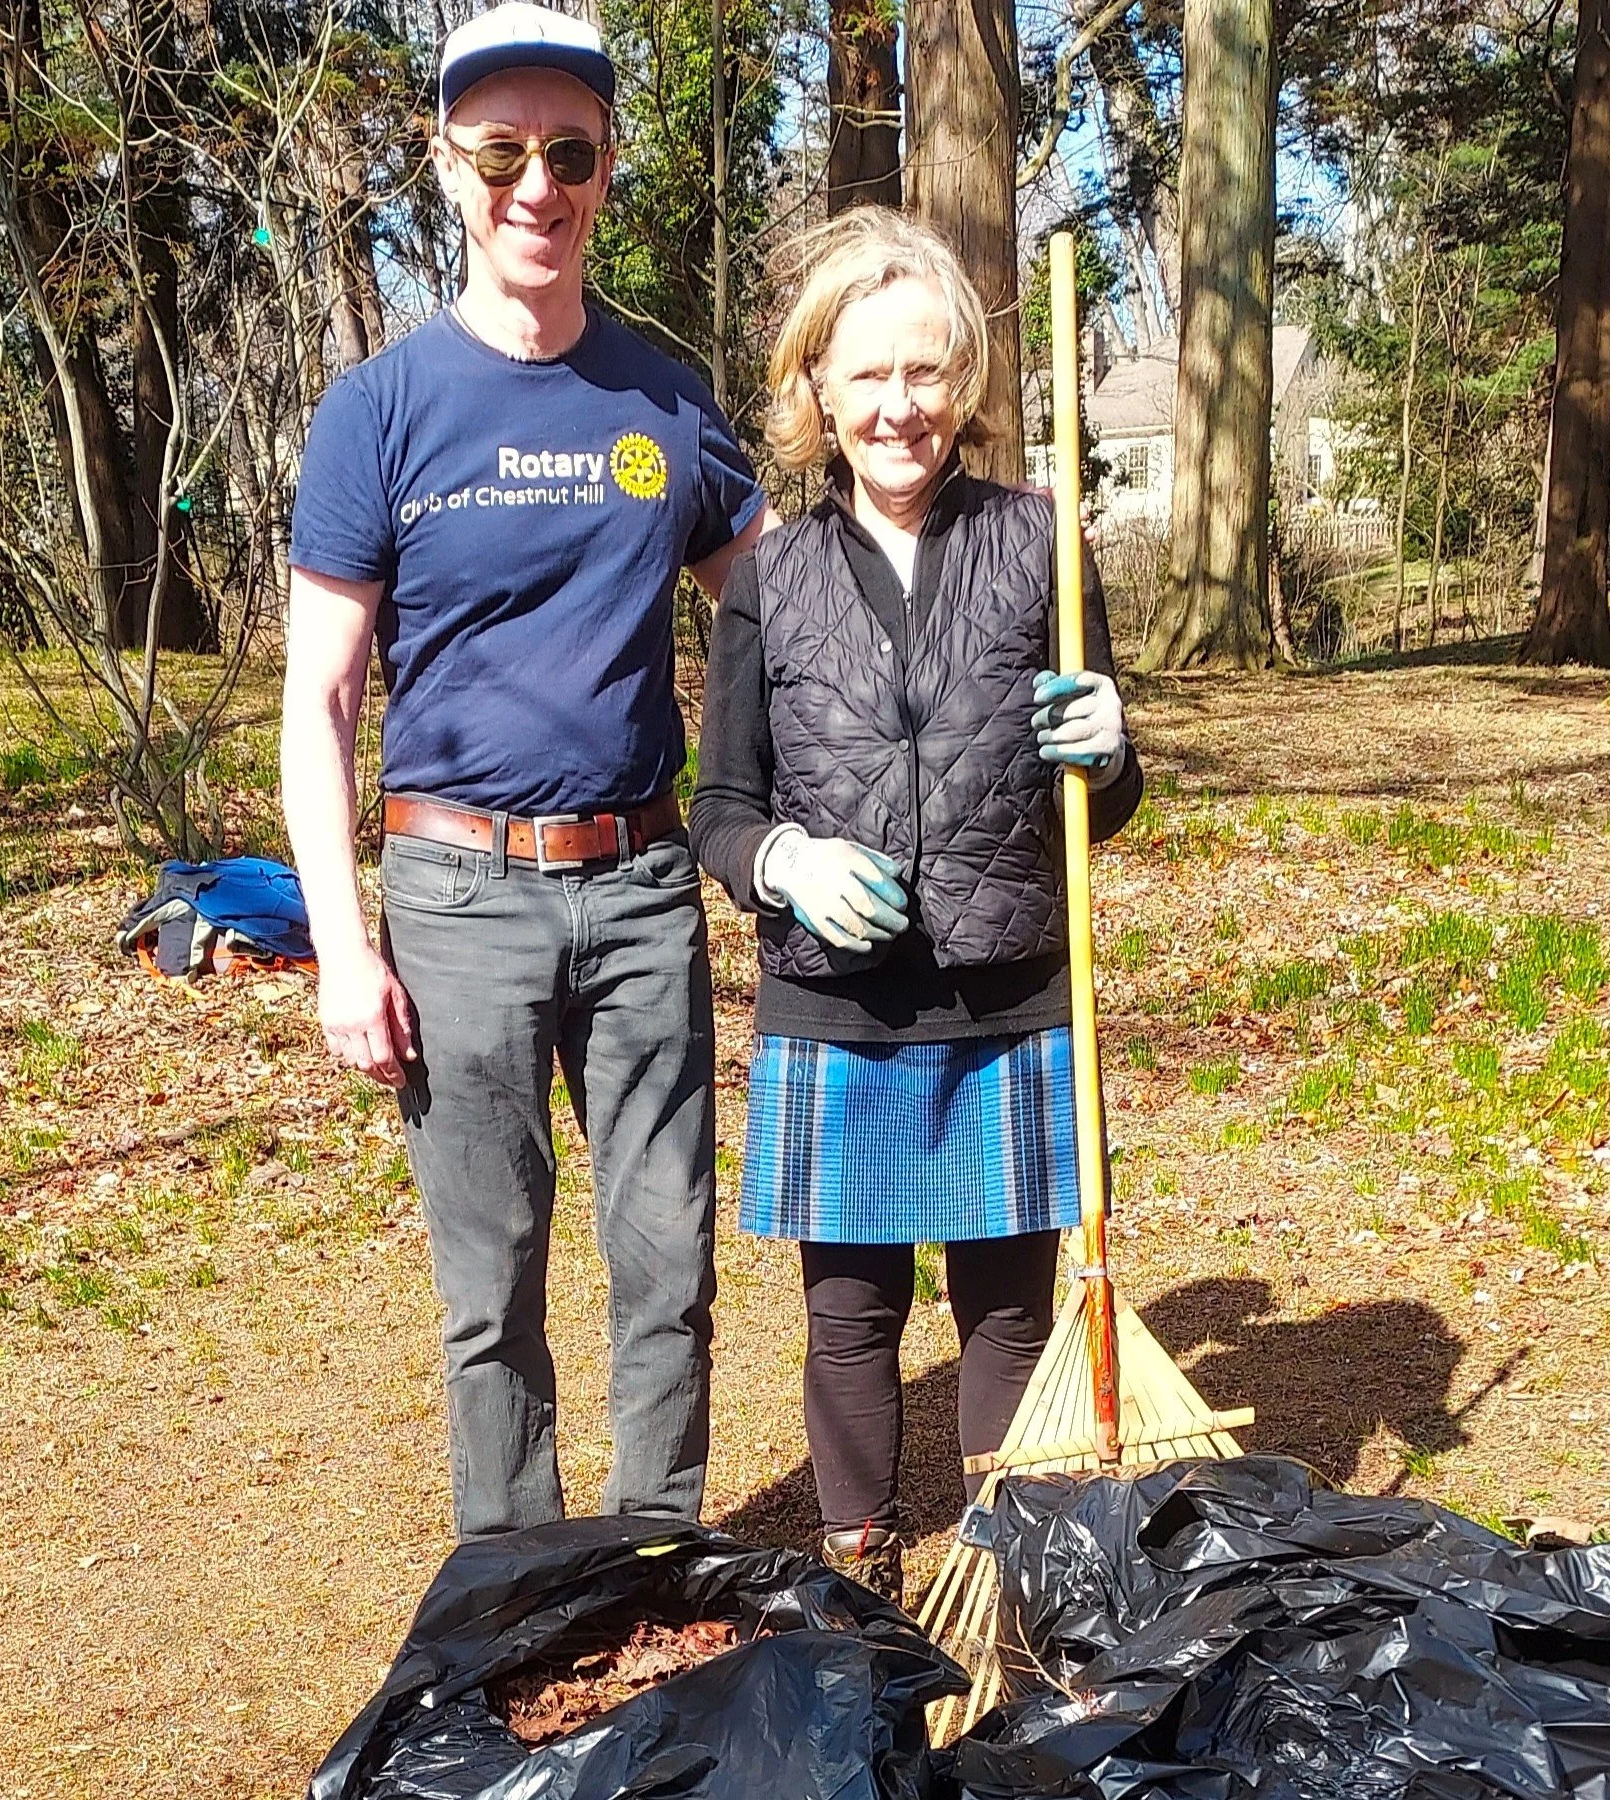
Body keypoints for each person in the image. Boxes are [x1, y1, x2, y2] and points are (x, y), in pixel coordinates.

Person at [281, 2, 773, 1542]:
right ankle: (513, 1591)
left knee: (666, 1261)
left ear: (606, 168)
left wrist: (985, 601)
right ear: (450, 169)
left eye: (568, 151)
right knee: (489, 1286)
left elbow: (790, 606)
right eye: (502, 152)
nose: (535, 186)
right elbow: (321, 697)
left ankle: (650, 1564)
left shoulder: (667, 397)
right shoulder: (378, 409)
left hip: (637, 891)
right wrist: (344, 947)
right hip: (454, 896)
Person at [689, 208, 1142, 1602]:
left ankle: (1005, 1568)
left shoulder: (1041, 542)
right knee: (851, 1308)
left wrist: (1113, 746)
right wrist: (786, 868)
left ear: (965, 384)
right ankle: (861, 1564)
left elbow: (1105, 802)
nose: (901, 407)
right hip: (838, 998)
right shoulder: (767, 582)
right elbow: (722, 810)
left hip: (1011, 985)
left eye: (928, 373)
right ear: (816, 387)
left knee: (1004, 1305)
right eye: (868, 375)